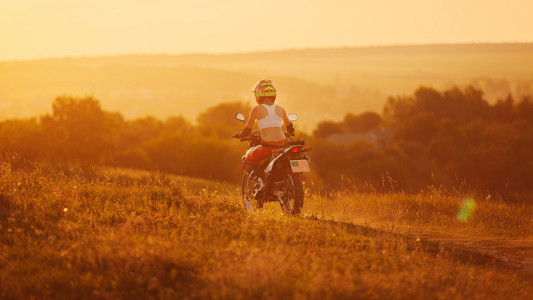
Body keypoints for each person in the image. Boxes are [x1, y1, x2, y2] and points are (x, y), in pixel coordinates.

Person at [238, 79, 295, 184]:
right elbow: (290, 128)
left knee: (247, 160)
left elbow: (247, 130)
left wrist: (240, 134)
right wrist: (290, 133)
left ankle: (259, 181)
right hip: (283, 145)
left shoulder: (256, 110)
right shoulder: (280, 109)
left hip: (269, 147)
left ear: (259, 94)